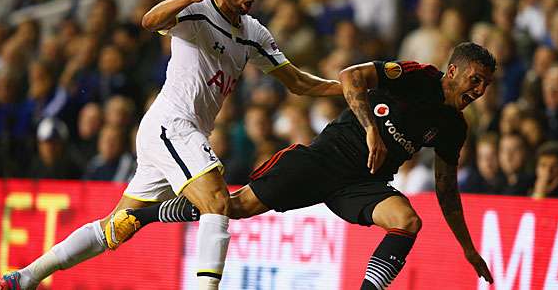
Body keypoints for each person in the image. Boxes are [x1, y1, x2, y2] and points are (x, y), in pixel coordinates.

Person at [0, 0, 341, 290]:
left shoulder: (254, 33)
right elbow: (149, 21)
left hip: (179, 133)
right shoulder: (198, 12)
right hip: (172, 124)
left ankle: (26, 276)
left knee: (117, 226)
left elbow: (297, 81)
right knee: (218, 202)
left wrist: (347, 88)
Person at [92, 42, 495, 289]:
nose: (478, 91)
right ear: (454, 70)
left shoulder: (453, 127)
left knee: (408, 220)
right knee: (231, 208)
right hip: (323, 160)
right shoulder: (416, 75)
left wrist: (468, 249)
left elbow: (446, 190)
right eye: (474, 80)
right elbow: (351, 77)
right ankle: (143, 217)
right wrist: (371, 128)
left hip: (362, 184)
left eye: (485, 86)